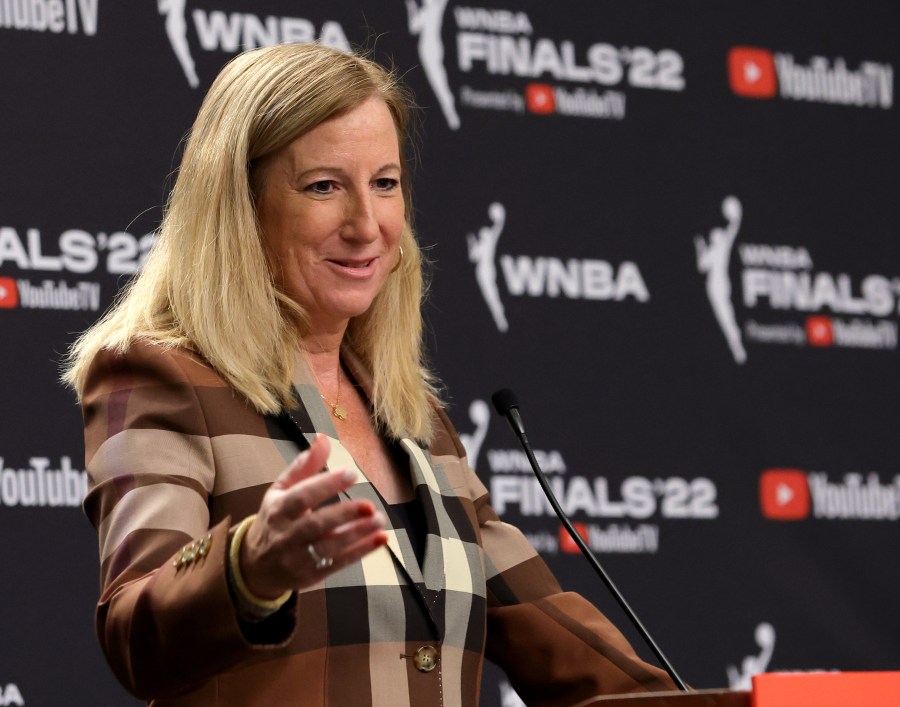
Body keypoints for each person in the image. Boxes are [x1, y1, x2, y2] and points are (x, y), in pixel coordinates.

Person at [64, 43, 676, 706]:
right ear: (238, 204)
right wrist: (249, 568)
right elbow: (136, 634)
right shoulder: (162, 376)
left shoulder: (412, 417)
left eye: (384, 183)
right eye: (324, 186)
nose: (367, 224)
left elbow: (563, 644)